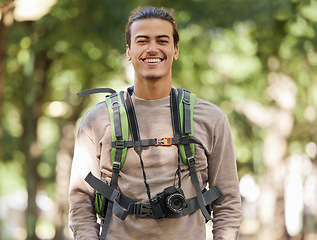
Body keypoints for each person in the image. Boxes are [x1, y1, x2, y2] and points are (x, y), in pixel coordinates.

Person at [68, 6, 242, 240]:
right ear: (128, 51)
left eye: (162, 40)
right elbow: (80, 203)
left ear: (175, 50)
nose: (152, 49)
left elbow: (228, 200)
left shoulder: (211, 118)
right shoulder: (96, 121)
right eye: (142, 41)